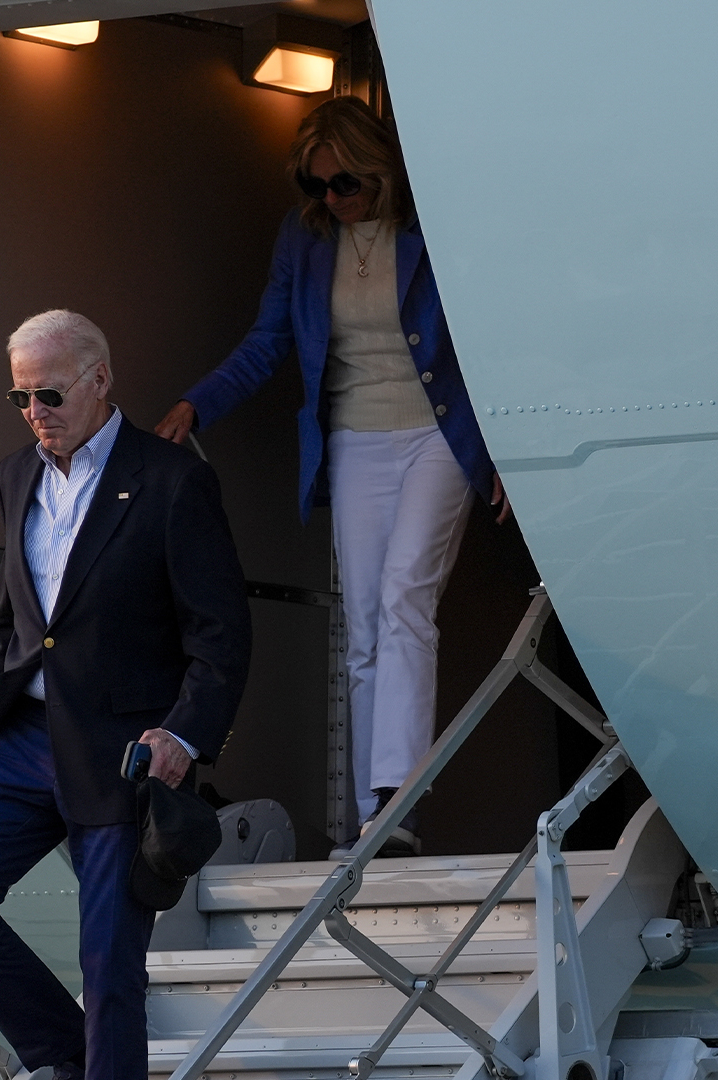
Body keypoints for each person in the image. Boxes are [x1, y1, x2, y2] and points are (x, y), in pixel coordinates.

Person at [155, 97, 503, 857]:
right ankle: (375, 816)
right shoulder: (304, 238)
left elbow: (496, 330)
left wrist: (511, 443)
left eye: (346, 183)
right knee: (364, 625)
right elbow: (267, 340)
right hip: (355, 440)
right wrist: (196, 405)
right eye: (316, 187)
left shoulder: (432, 225)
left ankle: (400, 797)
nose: (332, 200)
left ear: (379, 170)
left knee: (407, 593)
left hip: (439, 432)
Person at [0, 310, 252, 1080]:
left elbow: (220, 636)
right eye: (21, 399)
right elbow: (9, 621)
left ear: (101, 381)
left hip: (124, 753)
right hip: (22, 741)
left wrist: (183, 736)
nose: (36, 414)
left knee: (108, 964)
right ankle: (65, 1058)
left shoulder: (174, 483)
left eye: (50, 395)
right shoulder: (15, 475)